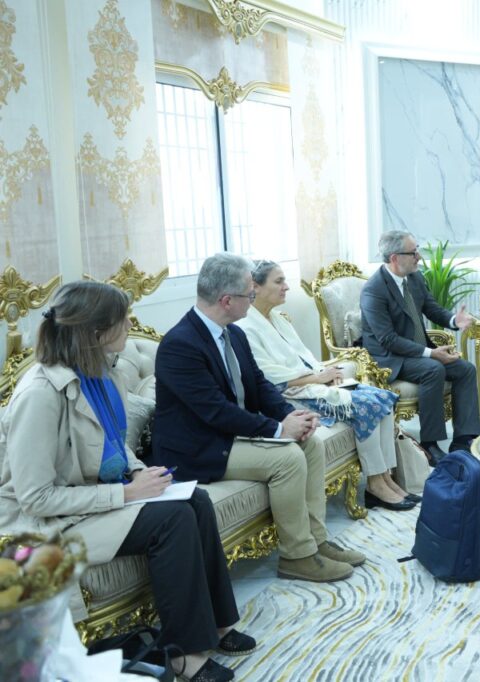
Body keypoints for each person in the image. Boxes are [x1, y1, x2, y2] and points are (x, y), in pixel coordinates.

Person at [0, 281, 253, 682]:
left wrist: (136, 471)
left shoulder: (104, 373)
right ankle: (184, 653)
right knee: (173, 519)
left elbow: (114, 446)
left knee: (196, 501)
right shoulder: (40, 395)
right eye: (124, 319)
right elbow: (35, 498)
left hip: (89, 499)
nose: (131, 324)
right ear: (97, 331)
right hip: (46, 523)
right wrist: (125, 493)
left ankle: (219, 625)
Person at [152, 253, 365, 583]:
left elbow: (260, 384)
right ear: (227, 300)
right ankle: (297, 557)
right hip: (199, 447)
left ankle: (317, 542)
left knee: (311, 445)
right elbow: (215, 411)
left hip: (231, 433)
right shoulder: (180, 345)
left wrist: (291, 415)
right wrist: (279, 429)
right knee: (288, 459)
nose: (253, 299)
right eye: (249, 294)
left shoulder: (234, 334)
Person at [236, 260, 416, 511]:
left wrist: (326, 373)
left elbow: (304, 358)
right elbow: (267, 377)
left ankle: (386, 478)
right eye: (279, 282)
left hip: (311, 382)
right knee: (367, 405)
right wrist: (318, 378)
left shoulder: (277, 318)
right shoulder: (244, 327)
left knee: (382, 399)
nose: (286, 287)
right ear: (255, 286)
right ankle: (376, 483)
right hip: (287, 394)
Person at [360, 231, 480, 465]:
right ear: (395, 258)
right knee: (433, 369)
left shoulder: (414, 278)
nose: (419, 257)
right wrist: (431, 354)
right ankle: (430, 444)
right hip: (389, 357)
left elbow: (432, 309)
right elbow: (387, 339)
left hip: (416, 351)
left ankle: (463, 440)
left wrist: (454, 320)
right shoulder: (373, 290)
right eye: (413, 252)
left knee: (466, 369)